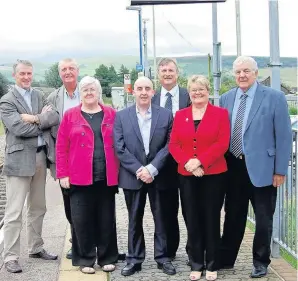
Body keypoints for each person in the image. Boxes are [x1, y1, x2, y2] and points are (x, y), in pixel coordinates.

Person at [219, 56, 292, 278]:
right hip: (233, 166)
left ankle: (260, 262)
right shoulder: (225, 98)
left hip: (264, 168)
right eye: (238, 72)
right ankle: (226, 258)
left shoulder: (275, 97)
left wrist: (280, 170)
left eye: (246, 71)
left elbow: (284, 136)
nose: (242, 75)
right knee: (233, 215)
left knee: (263, 218)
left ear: (256, 73)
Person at [0, 59, 59, 273]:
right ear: (15, 75)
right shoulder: (7, 101)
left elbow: (54, 117)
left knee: (38, 207)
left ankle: (35, 247)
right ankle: (11, 256)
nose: (26, 77)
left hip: (40, 159)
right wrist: (42, 124)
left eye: (29, 73)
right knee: (14, 212)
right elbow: (17, 129)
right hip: (18, 160)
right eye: (22, 74)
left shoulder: (38, 95)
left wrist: (33, 118)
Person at [56, 76, 119, 274]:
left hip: (105, 176)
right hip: (78, 177)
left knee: (106, 218)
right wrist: (62, 174)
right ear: (80, 94)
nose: (89, 93)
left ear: (98, 92)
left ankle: (107, 256)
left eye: (92, 89)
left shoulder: (111, 114)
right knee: (81, 220)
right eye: (85, 90)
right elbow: (61, 147)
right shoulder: (70, 115)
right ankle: (85, 259)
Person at [169, 75, 230, 281]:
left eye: (201, 89)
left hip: (213, 175)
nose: (197, 93)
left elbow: (222, 143)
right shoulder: (180, 115)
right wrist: (189, 163)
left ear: (207, 90)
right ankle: (196, 263)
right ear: (189, 92)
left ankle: (212, 264)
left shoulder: (220, 114)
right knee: (192, 219)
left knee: (211, 219)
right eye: (194, 90)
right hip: (187, 175)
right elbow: (174, 144)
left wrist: (201, 162)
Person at [113, 77, 175, 277]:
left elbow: (169, 145)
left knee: (162, 218)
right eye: (139, 88)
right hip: (133, 176)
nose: (143, 92)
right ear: (134, 91)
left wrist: (152, 168)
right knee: (133, 219)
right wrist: (140, 169)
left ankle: (163, 257)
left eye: (147, 88)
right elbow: (119, 148)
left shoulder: (165, 115)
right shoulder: (121, 116)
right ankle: (134, 259)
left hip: (159, 175)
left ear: (153, 92)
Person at [151, 57, 190, 260]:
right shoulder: (152, 97)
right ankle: (170, 250)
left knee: (191, 210)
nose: (167, 73)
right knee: (167, 211)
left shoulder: (188, 95)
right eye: (164, 70)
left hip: (187, 163)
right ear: (159, 74)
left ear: (177, 73)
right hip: (163, 164)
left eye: (171, 70)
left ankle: (195, 251)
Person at [47, 58, 81, 260]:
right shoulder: (53, 98)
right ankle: (76, 242)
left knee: (92, 202)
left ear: (77, 71)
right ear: (60, 74)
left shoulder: (89, 90)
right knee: (70, 204)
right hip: (65, 159)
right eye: (64, 69)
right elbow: (48, 126)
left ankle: (95, 242)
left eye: (71, 68)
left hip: (89, 158)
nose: (67, 72)